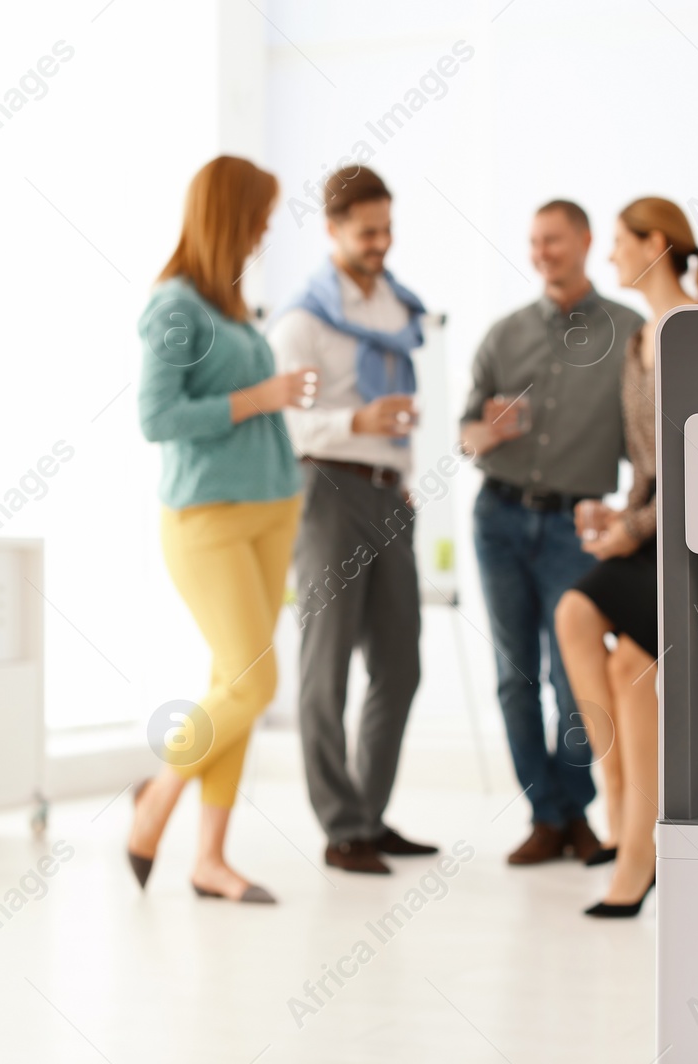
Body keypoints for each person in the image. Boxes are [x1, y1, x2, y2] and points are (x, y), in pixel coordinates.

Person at [129, 156, 315, 905]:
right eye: (259, 216)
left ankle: (210, 858)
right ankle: (157, 798)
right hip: (206, 518)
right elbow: (157, 417)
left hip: (271, 507)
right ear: (228, 215)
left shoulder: (231, 303)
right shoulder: (175, 305)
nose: (266, 231)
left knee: (226, 683)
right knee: (254, 683)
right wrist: (258, 396)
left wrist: (271, 399)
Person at [555, 196, 698, 917]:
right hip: (653, 524)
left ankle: (634, 843)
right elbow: (651, 465)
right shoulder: (638, 346)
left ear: (655, 243)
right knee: (601, 640)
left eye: (621, 243)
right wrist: (619, 515)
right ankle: (628, 806)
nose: (610, 258)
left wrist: (640, 527)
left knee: (603, 636)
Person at [460, 200, 645, 865]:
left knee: (573, 676)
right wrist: (490, 430)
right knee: (515, 676)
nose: (543, 252)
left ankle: (579, 806)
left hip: (576, 524)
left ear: (586, 241)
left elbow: (646, 448)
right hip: (500, 517)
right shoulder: (503, 335)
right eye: (535, 242)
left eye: (555, 240)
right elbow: (466, 435)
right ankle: (549, 816)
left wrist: (633, 519)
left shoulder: (631, 334)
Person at [270, 166, 438, 875]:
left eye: (387, 228)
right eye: (367, 231)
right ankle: (342, 829)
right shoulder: (303, 319)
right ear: (332, 229)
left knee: (400, 663)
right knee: (326, 665)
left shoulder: (396, 310)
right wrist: (355, 420)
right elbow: (289, 424)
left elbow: (398, 401)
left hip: (386, 490)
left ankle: (368, 813)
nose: (381, 242)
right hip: (327, 490)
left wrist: (399, 467)